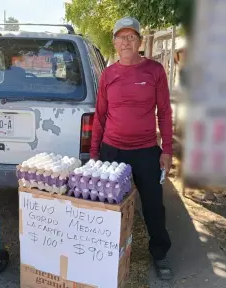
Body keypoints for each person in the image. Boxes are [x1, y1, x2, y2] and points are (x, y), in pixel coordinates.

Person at [90, 16, 173, 280]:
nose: (126, 41)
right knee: (108, 206)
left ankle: (160, 254)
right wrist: (94, 154)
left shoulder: (154, 70)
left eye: (131, 36)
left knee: (153, 206)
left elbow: (165, 113)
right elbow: (100, 115)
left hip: (147, 151)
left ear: (139, 40)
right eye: (120, 36)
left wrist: (167, 150)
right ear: (114, 42)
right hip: (112, 152)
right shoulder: (108, 74)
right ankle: (105, 253)